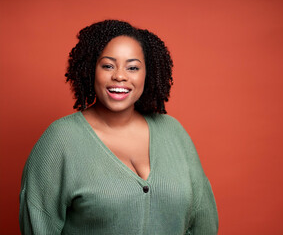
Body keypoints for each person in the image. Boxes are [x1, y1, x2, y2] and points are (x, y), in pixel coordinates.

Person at [19, 20, 218, 234]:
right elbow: (39, 225)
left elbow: (203, 222)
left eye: (132, 67)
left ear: (147, 74)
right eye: (108, 66)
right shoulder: (60, 140)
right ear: (90, 70)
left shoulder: (174, 132)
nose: (120, 76)